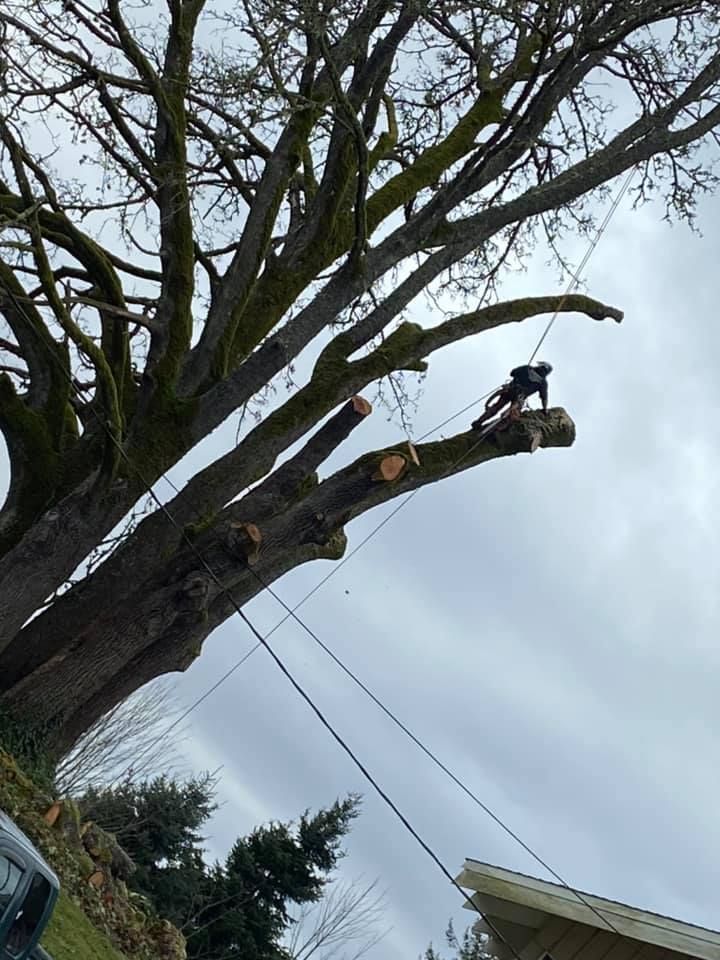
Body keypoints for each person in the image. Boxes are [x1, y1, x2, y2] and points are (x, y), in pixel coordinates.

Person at [471, 361, 553, 430]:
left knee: (497, 407)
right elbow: (544, 398)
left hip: (510, 390)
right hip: (518, 397)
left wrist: (521, 376)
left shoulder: (526, 368)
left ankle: (479, 422)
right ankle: (499, 428)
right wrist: (545, 409)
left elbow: (512, 373)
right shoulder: (542, 382)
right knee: (512, 413)